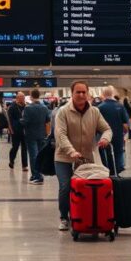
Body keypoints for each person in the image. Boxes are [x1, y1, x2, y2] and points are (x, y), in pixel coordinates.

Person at [53, 81, 112, 231]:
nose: (81, 95)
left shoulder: (94, 112)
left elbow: (107, 129)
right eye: (77, 92)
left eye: (83, 92)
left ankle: (83, 214)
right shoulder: (63, 112)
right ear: (72, 94)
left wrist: (105, 138)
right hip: (64, 157)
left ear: (88, 93)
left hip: (86, 157)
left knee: (88, 186)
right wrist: (71, 150)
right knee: (65, 186)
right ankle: (64, 217)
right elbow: (60, 134)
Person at [21, 88, 51, 185]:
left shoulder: (28, 108)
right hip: (42, 135)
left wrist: (20, 121)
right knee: (40, 155)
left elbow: (25, 122)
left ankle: (37, 176)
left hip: (31, 135)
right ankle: (38, 175)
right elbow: (47, 121)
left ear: (31, 96)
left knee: (33, 156)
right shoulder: (45, 108)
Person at [97, 86, 128, 172]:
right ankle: (119, 169)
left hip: (104, 136)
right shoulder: (120, 106)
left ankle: (107, 169)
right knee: (119, 151)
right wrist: (124, 134)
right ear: (112, 93)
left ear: (103, 94)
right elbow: (125, 124)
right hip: (118, 134)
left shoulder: (100, 107)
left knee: (106, 153)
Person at [7, 92, 29, 171]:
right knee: (15, 147)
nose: (22, 99)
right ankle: (11, 161)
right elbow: (9, 119)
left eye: (23, 97)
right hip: (15, 130)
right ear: (17, 98)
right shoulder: (12, 107)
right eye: (21, 97)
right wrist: (10, 129)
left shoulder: (26, 106)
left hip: (25, 130)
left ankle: (25, 165)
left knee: (24, 148)